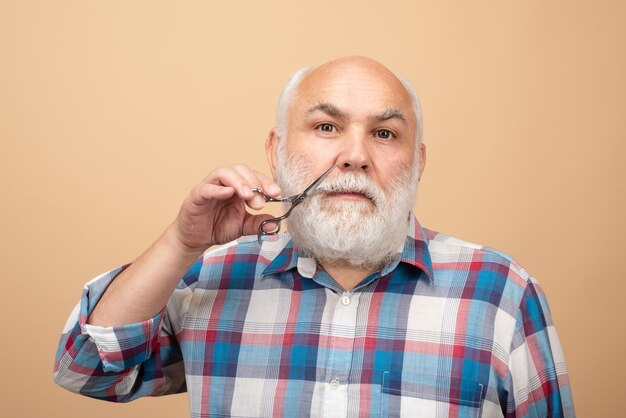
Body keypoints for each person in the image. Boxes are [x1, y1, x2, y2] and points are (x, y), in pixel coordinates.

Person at [53, 56, 575, 417]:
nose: (354, 155)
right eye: (327, 127)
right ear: (277, 150)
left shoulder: (502, 292)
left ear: (417, 163)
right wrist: (180, 244)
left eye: (385, 133)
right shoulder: (207, 278)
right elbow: (87, 369)